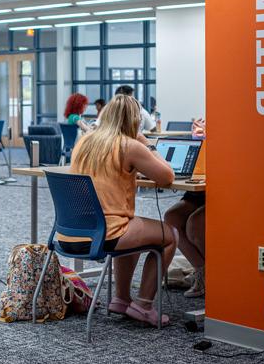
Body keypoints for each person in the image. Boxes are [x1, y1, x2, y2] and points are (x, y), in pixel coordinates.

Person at [63, 94, 177, 326]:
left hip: (71, 233)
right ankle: (144, 306)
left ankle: (122, 299)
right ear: (133, 121)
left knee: (132, 226)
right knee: (170, 235)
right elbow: (167, 177)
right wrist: (148, 144)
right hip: (106, 234)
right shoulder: (130, 146)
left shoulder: (85, 141)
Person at [164, 118, 206, 297]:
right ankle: (203, 271)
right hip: (200, 188)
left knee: (194, 224)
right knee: (171, 218)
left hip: (227, 187)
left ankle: (221, 275)